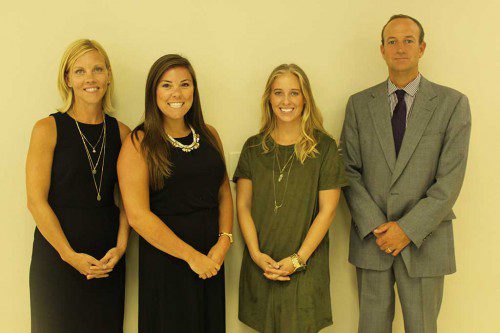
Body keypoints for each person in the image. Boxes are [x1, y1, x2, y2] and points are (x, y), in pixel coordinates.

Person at [341, 14, 471, 333]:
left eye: (408, 41)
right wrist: (378, 227)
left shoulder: (452, 104)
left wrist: (407, 229)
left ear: (422, 48)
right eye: (392, 41)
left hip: (425, 242)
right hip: (374, 241)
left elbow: (449, 183)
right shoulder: (359, 105)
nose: (400, 48)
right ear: (382, 49)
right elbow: (348, 171)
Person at [118, 54, 233, 332]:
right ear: (153, 92)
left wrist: (223, 242)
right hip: (167, 262)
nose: (177, 93)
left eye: (184, 84)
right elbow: (137, 216)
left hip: (211, 259)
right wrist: (191, 257)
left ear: (194, 89)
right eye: (166, 85)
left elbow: (223, 192)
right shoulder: (139, 142)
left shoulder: (209, 134)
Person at [233, 63, 347, 332]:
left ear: (305, 98)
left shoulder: (325, 148)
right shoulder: (253, 147)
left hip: (305, 267)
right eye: (278, 93)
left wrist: (298, 260)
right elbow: (243, 206)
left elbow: (328, 211)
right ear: (268, 98)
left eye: (294, 93)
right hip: (263, 264)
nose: (286, 101)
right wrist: (255, 254)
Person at [26, 39, 130, 332]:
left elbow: (129, 202)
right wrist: (68, 255)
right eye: (80, 71)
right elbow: (36, 200)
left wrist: (120, 248)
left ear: (108, 75)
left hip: (106, 260)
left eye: (97, 69)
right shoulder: (47, 129)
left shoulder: (122, 133)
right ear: (68, 79)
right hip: (58, 258)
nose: (90, 78)